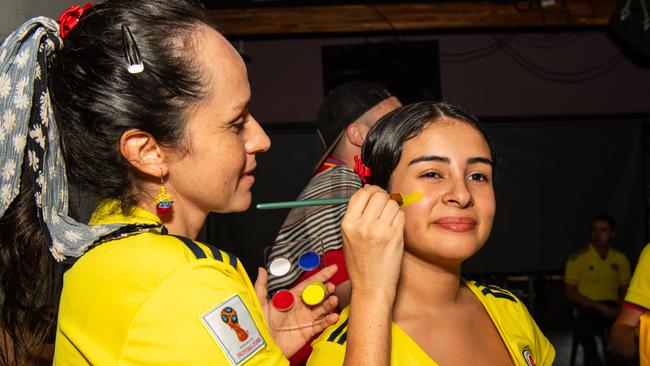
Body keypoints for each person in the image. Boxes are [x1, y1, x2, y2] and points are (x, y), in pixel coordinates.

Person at [0, 1, 403, 365]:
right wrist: (372, 292)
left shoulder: (111, 253)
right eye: (236, 123)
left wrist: (266, 345)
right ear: (148, 151)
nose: (261, 139)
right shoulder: (179, 283)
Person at [308, 101, 556, 365]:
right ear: (379, 195)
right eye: (432, 173)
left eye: (478, 176)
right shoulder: (342, 352)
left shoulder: (510, 310)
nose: (462, 195)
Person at [269, 81, 401, 309]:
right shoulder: (341, 184)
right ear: (358, 135)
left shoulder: (345, 181)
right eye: (393, 121)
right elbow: (343, 289)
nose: (407, 129)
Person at [564, 215, 631, 365]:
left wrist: (620, 308)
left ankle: (616, 357)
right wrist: (601, 307)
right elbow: (569, 293)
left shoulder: (620, 259)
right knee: (583, 322)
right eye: (594, 230)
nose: (597, 235)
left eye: (603, 230)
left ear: (612, 233)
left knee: (628, 325)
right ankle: (594, 357)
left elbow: (625, 289)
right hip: (588, 306)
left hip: (614, 306)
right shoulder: (578, 258)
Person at [609, 242, 650, 360]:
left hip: (613, 304)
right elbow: (618, 335)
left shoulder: (620, 258)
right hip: (604, 305)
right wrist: (642, 335)